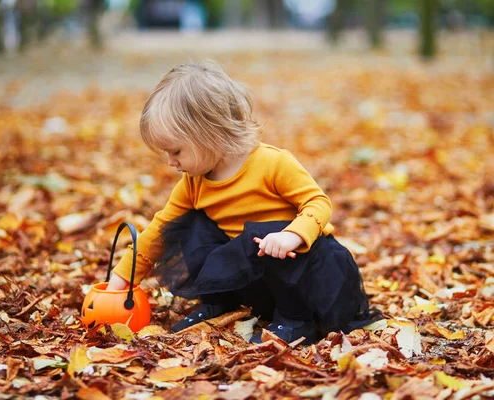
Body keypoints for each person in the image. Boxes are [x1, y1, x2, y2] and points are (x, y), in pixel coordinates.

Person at [105, 61, 377, 344]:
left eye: (176, 151)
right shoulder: (194, 182)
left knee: (260, 236)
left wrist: (293, 235)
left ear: (209, 134)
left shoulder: (272, 163)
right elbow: (158, 230)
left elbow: (318, 202)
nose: (171, 162)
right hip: (257, 277)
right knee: (187, 224)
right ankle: (219, 303)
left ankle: (297, 321)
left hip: (304, 271)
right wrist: (122, 279)